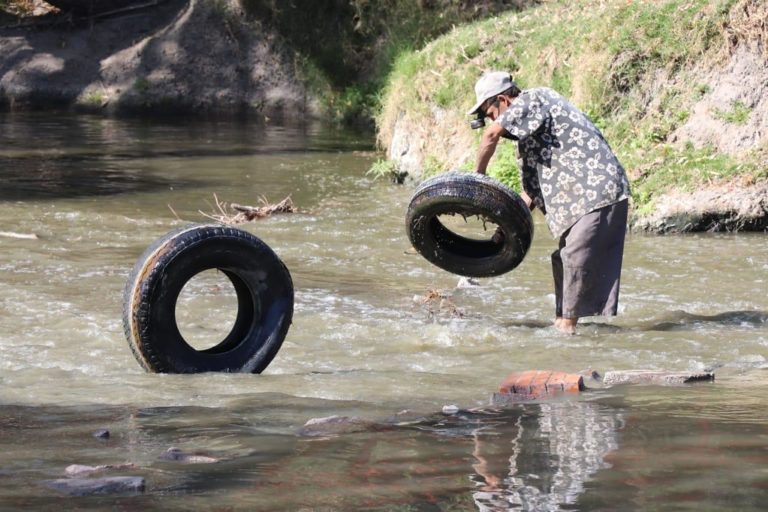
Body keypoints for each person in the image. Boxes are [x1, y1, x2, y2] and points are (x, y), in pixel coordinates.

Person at [468, 71, 630, 334]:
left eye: (489, 114)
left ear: (503, 101)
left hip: (595, 192)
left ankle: (566, 332)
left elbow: (490, 136)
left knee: (575, 257)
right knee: (565, 261)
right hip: (579, 200)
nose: (491, 121)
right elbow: (530, 192)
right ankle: (564, 327)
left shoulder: (534, 100)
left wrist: (477, 180)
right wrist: (505, 230)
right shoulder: (529, 138)